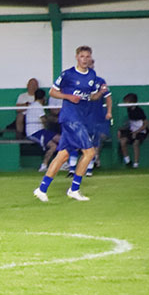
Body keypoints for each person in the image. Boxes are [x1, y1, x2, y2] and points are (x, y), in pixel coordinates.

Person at [34, 45, 107, 203]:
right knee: (89, 153)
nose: (85, 59)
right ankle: (74, 189)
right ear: (76, 57)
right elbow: (52, 92)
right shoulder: (68, 74)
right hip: (70, 118)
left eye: (87, 56)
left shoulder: (92, 75)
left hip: (81, 119)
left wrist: (100, 93)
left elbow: (91, 97)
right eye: (82, 56)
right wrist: (68, 96)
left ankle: (41, 189)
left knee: (63, 155)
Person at [24, 89, 60, 172]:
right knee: (53, 146)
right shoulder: (38, 106)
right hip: (35, 132)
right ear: (43, 98)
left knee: (60, 139)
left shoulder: (33, 105)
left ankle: (62, 162)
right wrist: (53, 122)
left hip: (41, 131)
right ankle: (44, 165)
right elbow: (44, 120)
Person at [118, 93, 148, 168]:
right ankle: (127, 161)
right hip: (132, 130)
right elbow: (129, 123)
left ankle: (136, 163)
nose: (125, 104)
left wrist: (137, 132)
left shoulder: (139, 111)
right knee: (122, 141)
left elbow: (146, 123)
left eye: (126, 102)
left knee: (135, 143)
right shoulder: (128, 110)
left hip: (141, 132)